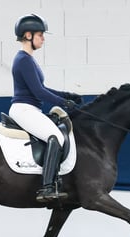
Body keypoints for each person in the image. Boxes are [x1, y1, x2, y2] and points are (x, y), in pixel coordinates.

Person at [9, 14, 82, 202]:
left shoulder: (28, 59)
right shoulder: (23, 59)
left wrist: (66, 95)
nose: (43, 38)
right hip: (24, 109)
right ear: (28, 35)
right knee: (56, 136)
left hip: (30, 109)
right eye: (40, 35)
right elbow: (39, 92)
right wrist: (63, 103)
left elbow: (42, 88)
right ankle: (47, 187)